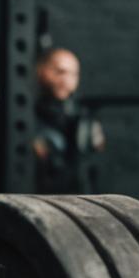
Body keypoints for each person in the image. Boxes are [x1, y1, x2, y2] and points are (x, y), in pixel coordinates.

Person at [31, 46, 103, 195]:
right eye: (60, 72)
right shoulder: (26, 117)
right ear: (41, 71)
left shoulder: (82, 117)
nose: (66, 80)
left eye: (73, 74)